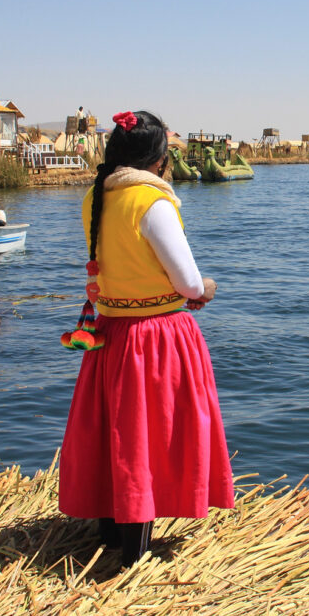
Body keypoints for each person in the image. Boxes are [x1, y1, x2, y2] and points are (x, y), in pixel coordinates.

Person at [58, 110, 234, 570]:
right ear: (158, 159)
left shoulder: (97, 197)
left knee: (113, 431)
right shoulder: (152, 201)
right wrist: (205, 289)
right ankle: (136, 552)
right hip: (156, 339)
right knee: (147, 436)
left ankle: (109, 531)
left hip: (110, 334)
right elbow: (189, 283)